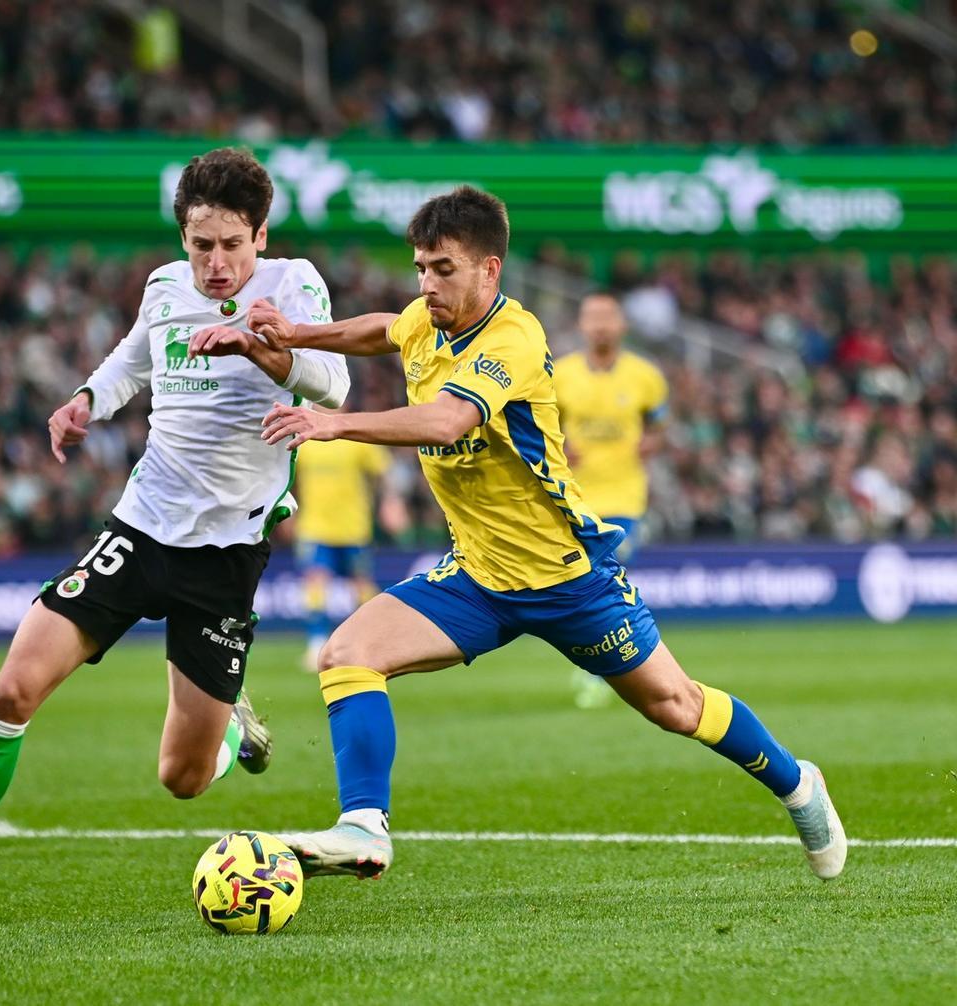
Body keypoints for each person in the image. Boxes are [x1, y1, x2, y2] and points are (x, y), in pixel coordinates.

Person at [239, 185, 846, 883]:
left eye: (443, 269)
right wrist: (297, 333)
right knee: (347, 653)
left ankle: (799, 786)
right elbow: (385, 329)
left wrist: (334, 421)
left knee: (676, 706)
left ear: (489, 270)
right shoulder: (425, 319)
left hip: (567, 576)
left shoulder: (515, 339)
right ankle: (363, 828)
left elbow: (447, 422)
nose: (427, 284)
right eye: (420, 268)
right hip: (478, 576)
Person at [0, 148, 351, 921]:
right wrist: (88, 398)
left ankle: (228, 730)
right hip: (140, 528)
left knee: (182, 777)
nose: (215, 264)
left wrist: (265, 347)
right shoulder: (164, 287)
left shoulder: (295, 286)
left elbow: (334, 384)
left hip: (226, 555)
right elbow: (132, 360)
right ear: (183, 237)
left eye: (231, 246)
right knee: (14, 687)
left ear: (260, 235)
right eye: (200, 244)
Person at [551, 292, 668, 709]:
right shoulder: (560, 374)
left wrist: (649, 443)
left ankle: (602, 666)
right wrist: (560, 446)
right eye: (592, 317)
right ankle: (603, 657)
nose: (600, 325)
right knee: (585, 579)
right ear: (582, 325)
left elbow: (660, 425)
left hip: (624, 497)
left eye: (608, 317)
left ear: (622, 326)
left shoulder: (645, 376)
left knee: (606, 571)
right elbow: (539, 425)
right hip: (574, 495)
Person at [293, 423, 406, 669]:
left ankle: (373, 639)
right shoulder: (306, 439)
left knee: (361, 582)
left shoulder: (354, 437)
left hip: (353, 527)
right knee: (315, 580)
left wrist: (392, 501)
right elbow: (291, 478)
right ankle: (316, 643)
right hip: (315, 527)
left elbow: (384, 471)